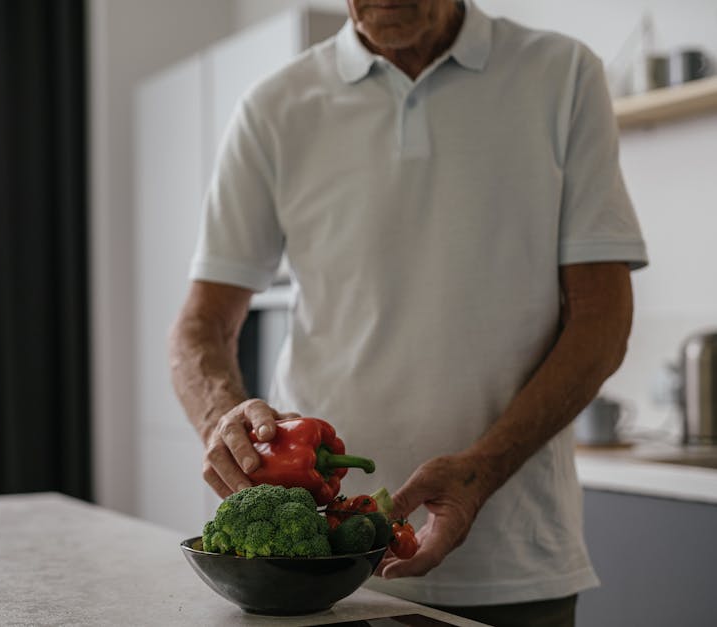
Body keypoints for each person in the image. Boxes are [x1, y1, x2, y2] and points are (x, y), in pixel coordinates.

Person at [169, 1, 647, 625]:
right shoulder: (274, 107)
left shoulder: (562, 74)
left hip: (514, 565)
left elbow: (602, 319)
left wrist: (483, 470)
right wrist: (219, 421)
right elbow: (201, 325)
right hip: (317, 573)